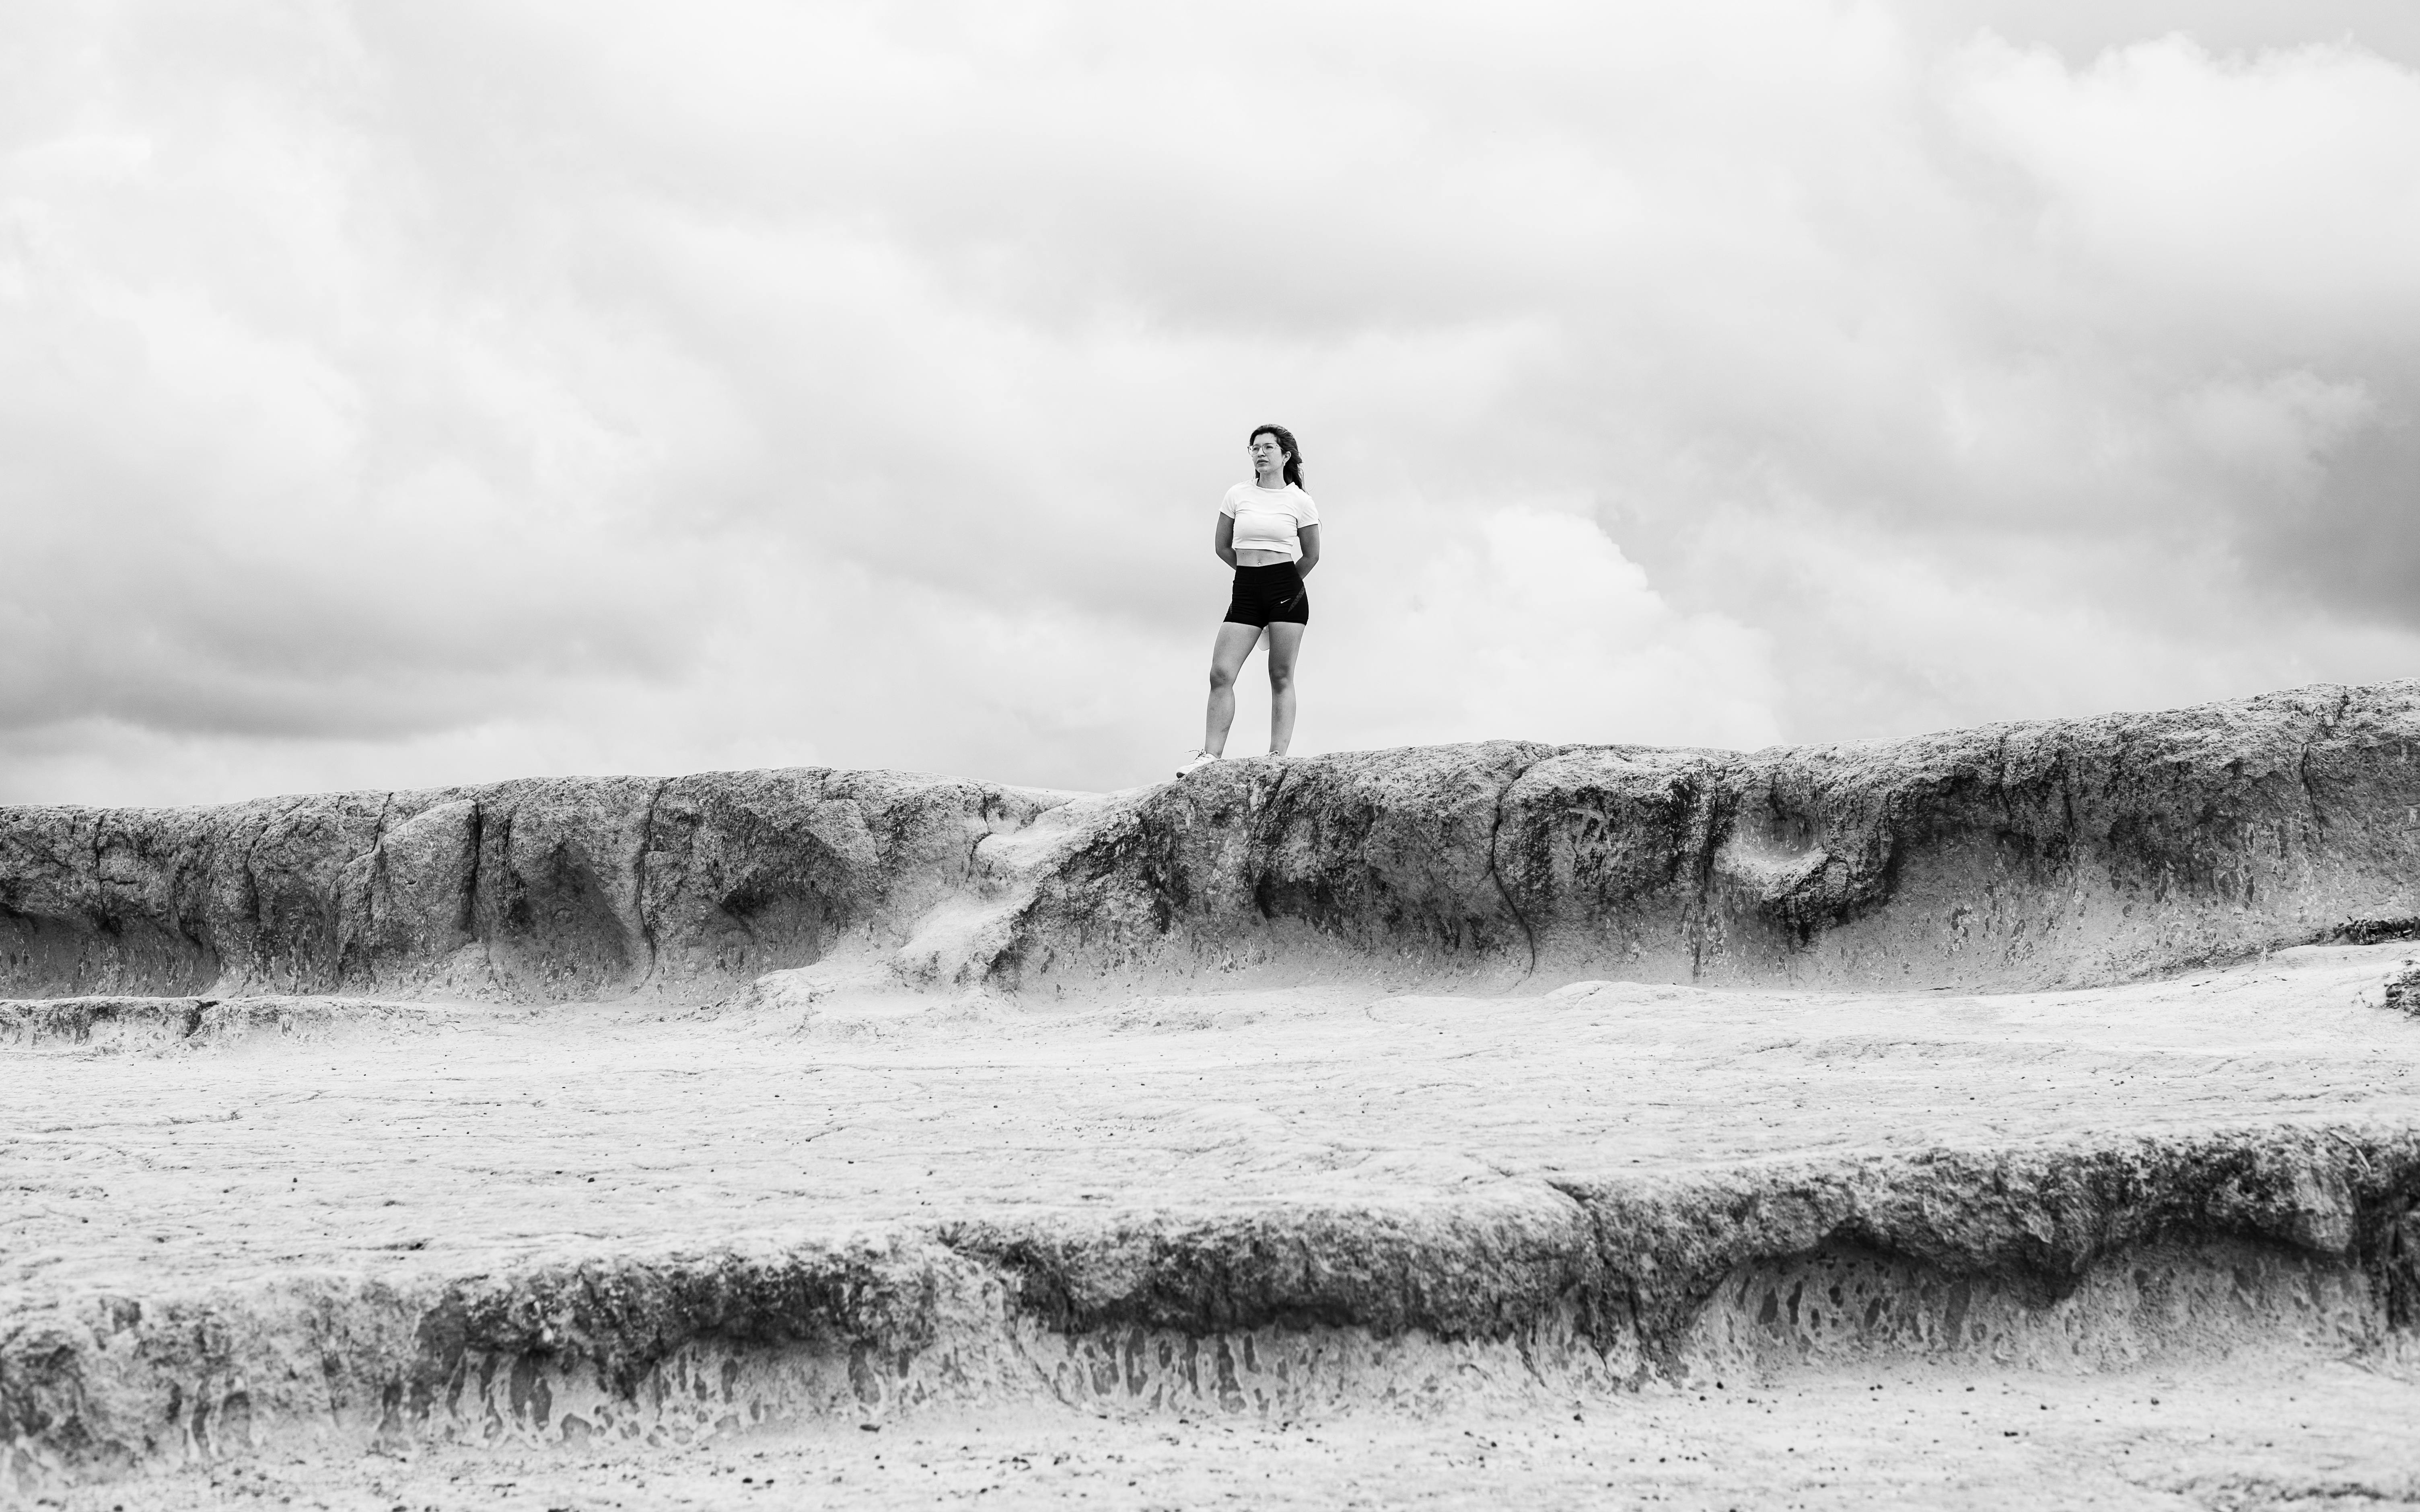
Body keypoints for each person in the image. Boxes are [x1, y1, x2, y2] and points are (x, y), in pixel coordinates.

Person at [1179, 425, 1321, 777]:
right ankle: (1210, 756)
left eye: (1268, 448)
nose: (1260, 453)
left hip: (1286, 591)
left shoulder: (1300, 501)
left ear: (1285, 456)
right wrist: (1252, 576)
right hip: (1245, 589)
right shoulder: (1237, 494)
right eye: (1255, 448)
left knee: (1280, 675)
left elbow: (1311, 555)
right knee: (1221, 673)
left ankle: (1276, 757)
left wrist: (1283, 584)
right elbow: (1222, 547)